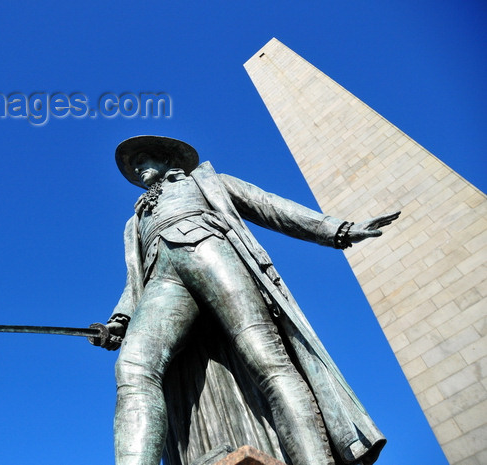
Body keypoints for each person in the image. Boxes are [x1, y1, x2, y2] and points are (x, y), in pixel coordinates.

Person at [98, 136, 399, 465]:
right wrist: (120, 320)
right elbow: (136, 278)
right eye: (133, 164)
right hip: (162, 281)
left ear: (168, 158)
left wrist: (336, 229)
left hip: (212, 252)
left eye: (143, 158)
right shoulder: (136, 221)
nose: (137, 167)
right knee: (133, 368)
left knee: (268, 362)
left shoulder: (208, 181)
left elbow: (270, 206)